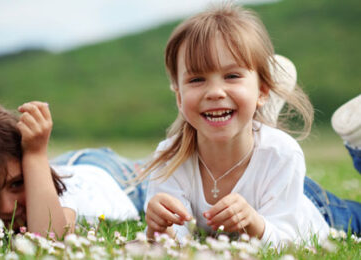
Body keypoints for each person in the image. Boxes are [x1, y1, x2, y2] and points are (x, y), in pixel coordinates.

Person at [142, 4, 361, 248]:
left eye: (232, 76)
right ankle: (250, 111)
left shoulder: (282, 153)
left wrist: (255, 223)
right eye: (196, 79)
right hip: (271, 180)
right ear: (179, 98)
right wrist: (159, 228)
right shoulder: (170, 157)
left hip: (314, 208)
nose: (214, 92)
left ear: (263, 91)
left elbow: (289, 239)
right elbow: (176, 240)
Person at [0, 101, 145, 237]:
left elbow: (50, 240)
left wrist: (35, 153)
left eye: (17, 184)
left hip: (114, 178)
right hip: (66, 165)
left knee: (161, 170)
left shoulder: (59, 196)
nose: (7, 207)